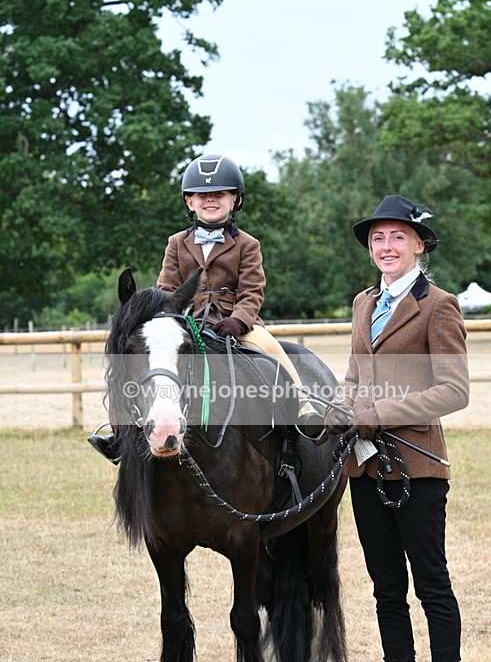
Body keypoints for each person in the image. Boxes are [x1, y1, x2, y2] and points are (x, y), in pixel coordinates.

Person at [325, 195, 469, 662]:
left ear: (419, 245)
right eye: (377, 238)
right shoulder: (363, 303)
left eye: (397, 237)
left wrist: (380, 413)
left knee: (431, 583)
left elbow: (453, 390)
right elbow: (354, 377)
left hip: (418, 467)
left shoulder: (439, 306)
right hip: (365, 467)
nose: (386, 246)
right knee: (386, 586)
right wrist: (340, 408)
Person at [89, 154, 323, 461]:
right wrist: (170, 318)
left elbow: (252, 291)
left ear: (236, 200)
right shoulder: (176, 243)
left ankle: (303, 407)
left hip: (235, 325)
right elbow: (167, 289)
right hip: (187, 322)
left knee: (270, 348)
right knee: (147, 361)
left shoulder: (248, 244)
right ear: (189, 202)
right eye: (202, 195)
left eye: (219, 194)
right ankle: (122, 432)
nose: (210, 200)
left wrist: (239, 320)